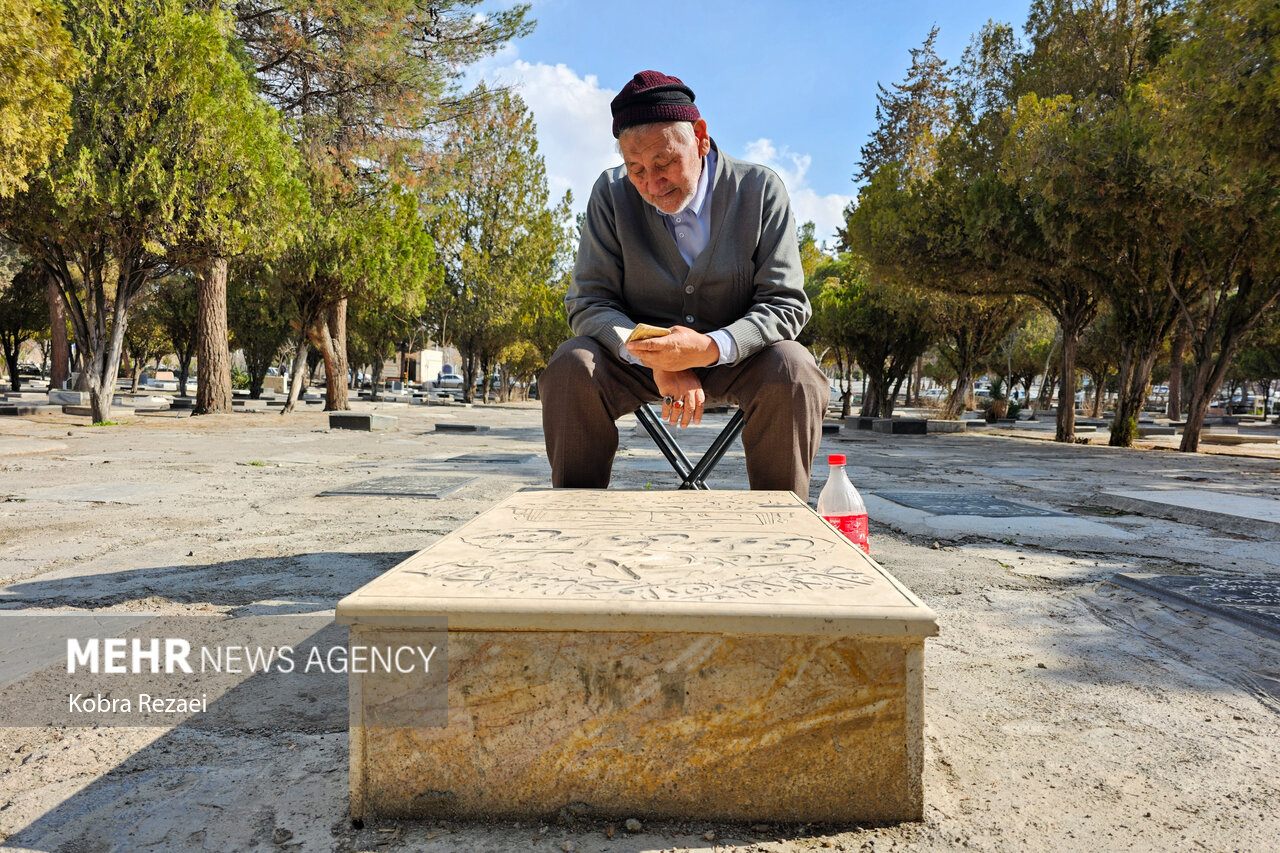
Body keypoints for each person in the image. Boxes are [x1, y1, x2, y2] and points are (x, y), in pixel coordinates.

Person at [540, 70, 828, 496]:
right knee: (571, 366)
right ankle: (576, 518)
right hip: (638, 365)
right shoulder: (610, 193)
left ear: (701, 137)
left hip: (740, 361)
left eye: (664, 162)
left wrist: (708, 349)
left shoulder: (760, 189)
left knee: (794, 368)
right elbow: (588, 301)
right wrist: (657, 358)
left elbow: (785, 302)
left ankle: (780, 521)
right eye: (635, 168)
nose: (652, 184)